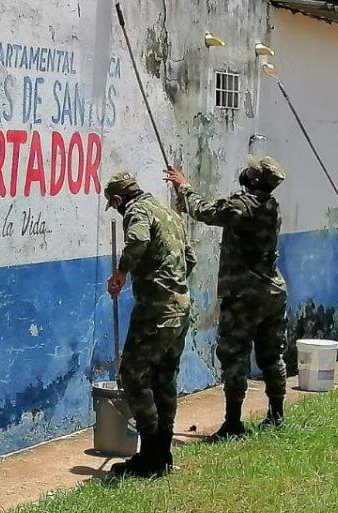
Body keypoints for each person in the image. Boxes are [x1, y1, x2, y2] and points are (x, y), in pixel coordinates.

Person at [166, 156, 289, 441]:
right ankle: (276, 414)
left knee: (235, 357)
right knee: (272, 354)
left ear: (254, 180)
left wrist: (184, 187)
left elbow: (205, 211)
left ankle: (233, 423)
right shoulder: (271, 206)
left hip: (244, 295)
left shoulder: (241, 206)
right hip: (272, 292)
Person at [103, 172, 195, 478]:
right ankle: (162, 455)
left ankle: (150, 456)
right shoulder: (169, 213)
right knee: (164, 378)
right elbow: (190, 259)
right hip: (180, 307)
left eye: (114, 205)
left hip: (156, 311)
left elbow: (138, 239)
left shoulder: (136, 211)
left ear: (117, 200)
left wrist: (122, 272)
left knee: (132, 375)